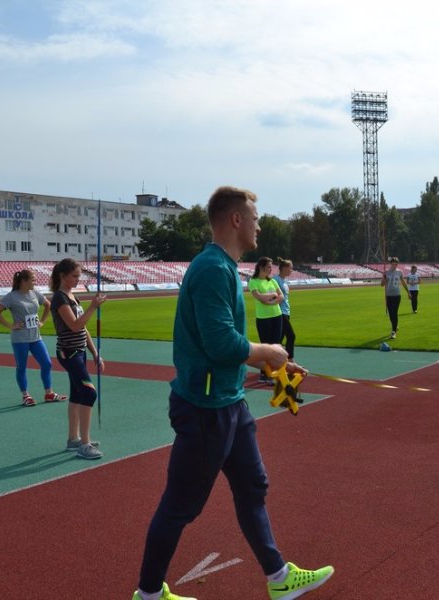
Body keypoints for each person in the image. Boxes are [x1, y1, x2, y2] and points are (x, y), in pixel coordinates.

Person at [132, 186, 333, 600]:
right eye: (255, 218)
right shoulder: (212, 269)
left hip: (229, 403)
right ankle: (149, 595)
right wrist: (270, 351)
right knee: (180, 505)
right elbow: (221, 343)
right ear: (236, 220)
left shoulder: (223, 267)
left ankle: (279, 578)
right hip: (206, 409)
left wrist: (272, 365)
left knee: (253, 487)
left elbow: (227, 348)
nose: (259, 226)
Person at [50, 258, 107, 459]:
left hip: (79, 351)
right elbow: (74, 326)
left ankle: (73, 439)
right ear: (62, 276)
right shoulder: (59, 298)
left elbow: (83, 328)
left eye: (79, 276)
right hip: (69, 353)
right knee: (89, 394)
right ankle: (85, 444)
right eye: (74, 276)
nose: (77, 279)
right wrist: (93, 307)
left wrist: (94, 352)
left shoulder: (72, 296)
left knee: (77, 395)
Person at [0, 269, 67, 407]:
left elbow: (48, 305)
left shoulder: (35, 293)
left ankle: (49, 393)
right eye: (33, 280)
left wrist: (42, 321)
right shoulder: (12, 297)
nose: (35, 282)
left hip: (36, 337)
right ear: (23, 281)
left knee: (47, 364)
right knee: (22, 367)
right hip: (20, 338)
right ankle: (25, 396)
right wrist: (11, 325)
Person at [250, 256, 284, 384]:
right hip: (263, 318)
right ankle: (265, 374)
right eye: (269, 267)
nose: (271, 269)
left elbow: (281, 296)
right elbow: (259, 297)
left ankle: (273, 373)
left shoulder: (272, 281)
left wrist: (271, 301)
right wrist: (273, 295)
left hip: (277, 315)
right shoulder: (254, 281)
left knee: (276, 345)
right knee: (266, 347)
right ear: (261, 267)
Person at [273, 258, 296, 360]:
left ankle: (275, 360)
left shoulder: (284, 282)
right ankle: (290, 360)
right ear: (284, 268)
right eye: (290, 268)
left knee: (279, 339)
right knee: (291, 335)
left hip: (286, 312)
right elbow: (272, 295)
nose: (292, 270)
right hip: (279, 312)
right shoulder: (275, 280)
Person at [381, 257, 409, 338]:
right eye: (393, 264)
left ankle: (393, 331)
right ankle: (395, 325)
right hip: (388, 296)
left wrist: (408, 292)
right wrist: (384, 280)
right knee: (391, 314)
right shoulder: (386, 273)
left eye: (396, 264)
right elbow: (382, 285)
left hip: (397, 295)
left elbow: (403, 282)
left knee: (394, 313)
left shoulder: (400, 272)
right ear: (391, 264)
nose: (394, 265)